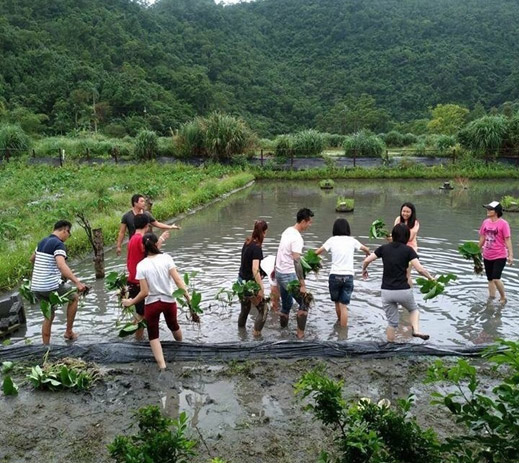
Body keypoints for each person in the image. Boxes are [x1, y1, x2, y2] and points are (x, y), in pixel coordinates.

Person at [122, 233, 191, 371]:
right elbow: (178, 281)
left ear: (143, 246)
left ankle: (162, 366)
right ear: (156, 243)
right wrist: (189, 299)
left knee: (153, 335)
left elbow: (144, 292)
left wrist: (131, 302)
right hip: (168, 301)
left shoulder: (141, 265)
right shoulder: (167, 258)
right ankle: (182, 347)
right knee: (174, 325)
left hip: (152, 304)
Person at [362, 223, 434, 342]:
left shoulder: (384, 248)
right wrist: (431, 278)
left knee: (392, 323)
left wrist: (364, 269)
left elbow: (367, 260)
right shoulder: (408, 250)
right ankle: (415, 330)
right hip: (403, 290)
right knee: (413, 310)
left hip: (386, 291)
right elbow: (420, 269)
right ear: (406, 237)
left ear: (393, 235)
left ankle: (390, 347)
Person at [30, 220, 87, 344]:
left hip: (36, 286)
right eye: (69, 233)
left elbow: (32, 259)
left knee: (48, 315)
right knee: (74, 297)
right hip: (50, 286)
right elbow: (61, 265)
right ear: (64, 230)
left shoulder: (42, 242)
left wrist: (46, 270)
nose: (68, 236)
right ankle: (69, 332)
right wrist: (77, 282)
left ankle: (46, 346)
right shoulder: (58, 244)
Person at [315, 218, 370, 328]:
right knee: (343, 306)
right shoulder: (352, 241)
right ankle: (343, 333)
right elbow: (366, 249)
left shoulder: (332, 240)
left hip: (334, 276)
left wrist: (314, 262)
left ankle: (339, 325)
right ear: (347, 229)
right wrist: (367, 255)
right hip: (348, 276)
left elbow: (317, 252)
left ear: (334, 229)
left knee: (336, 303)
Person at [126, 214, 170, 340]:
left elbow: (130, 260)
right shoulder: (141, 239)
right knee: (143, 316)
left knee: (141, 314)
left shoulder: (132, 238)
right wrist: (161, 239)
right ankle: (138, 341)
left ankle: (134, 337)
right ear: (147, 225)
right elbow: (152, 254)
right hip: (138, 282)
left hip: (132, 280)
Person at [275, 208, 314, 339]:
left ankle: (282, 331)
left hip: (280, 273)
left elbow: (280, 251)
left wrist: (275, 269)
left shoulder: (287, 231)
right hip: (288, 275)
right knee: (305, 302)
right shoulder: (297, 238)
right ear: (303, 221)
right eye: (309, 222)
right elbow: (297, 261)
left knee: (286, 305)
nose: (310, 225)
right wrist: (302, 284)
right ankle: (300, 336)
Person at [116, 194, 180, 256]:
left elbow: (157, 224)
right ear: (135, 203)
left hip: (148, 243)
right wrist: (119, 246)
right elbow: (122, 232)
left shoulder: (146, 214)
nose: (144, 203)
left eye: (144, 201)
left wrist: (171, 227)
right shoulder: (127, 216)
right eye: (141, 201)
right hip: (135, 244)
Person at [237, 220, 269, 336]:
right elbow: (254, 269)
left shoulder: (247, 242)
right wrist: (261, 288)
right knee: (264, 309)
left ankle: (241, 334)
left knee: (244, 310)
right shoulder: (256, 248)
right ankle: (256, 336)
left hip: (240, 282)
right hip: (249, 285)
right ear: (263, 232)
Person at [479, 201, 513, 303]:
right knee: (490, 279)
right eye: (487, 209)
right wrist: (476, 251)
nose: (488, 211)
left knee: (496, 278)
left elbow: (507, 239)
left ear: (496, 211)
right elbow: (482, 237)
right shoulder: (485, 222)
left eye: (490, 209)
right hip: (487, 255)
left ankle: (503, 297)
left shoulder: (503, 224)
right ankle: (492, 297)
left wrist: (510, 255)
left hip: (499, 255)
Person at [394, 202, 419, 286]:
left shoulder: (415, 223)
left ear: (412, 213)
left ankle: (409, 291)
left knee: (407, 273)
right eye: (403, 211)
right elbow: (394, 233)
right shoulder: (398, 219)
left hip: (410, 249)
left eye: (408, 212)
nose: (405, 213)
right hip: (398, 248)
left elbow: (410, 237)